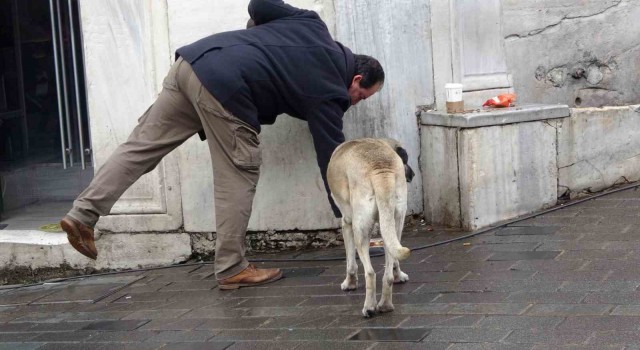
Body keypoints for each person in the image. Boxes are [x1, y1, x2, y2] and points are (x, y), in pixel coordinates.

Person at [60, 0, 385, 290]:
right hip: (227, 88)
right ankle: (232, 267)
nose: (354, 102)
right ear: (356, 80)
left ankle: (82, 215)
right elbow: (333, 159)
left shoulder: (310, 23)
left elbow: (260, 4)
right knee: (238, 172)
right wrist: (354, 223)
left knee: (139, 148)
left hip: (192, 63)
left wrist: (259, 42)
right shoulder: (330, 91)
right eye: (362, 97)